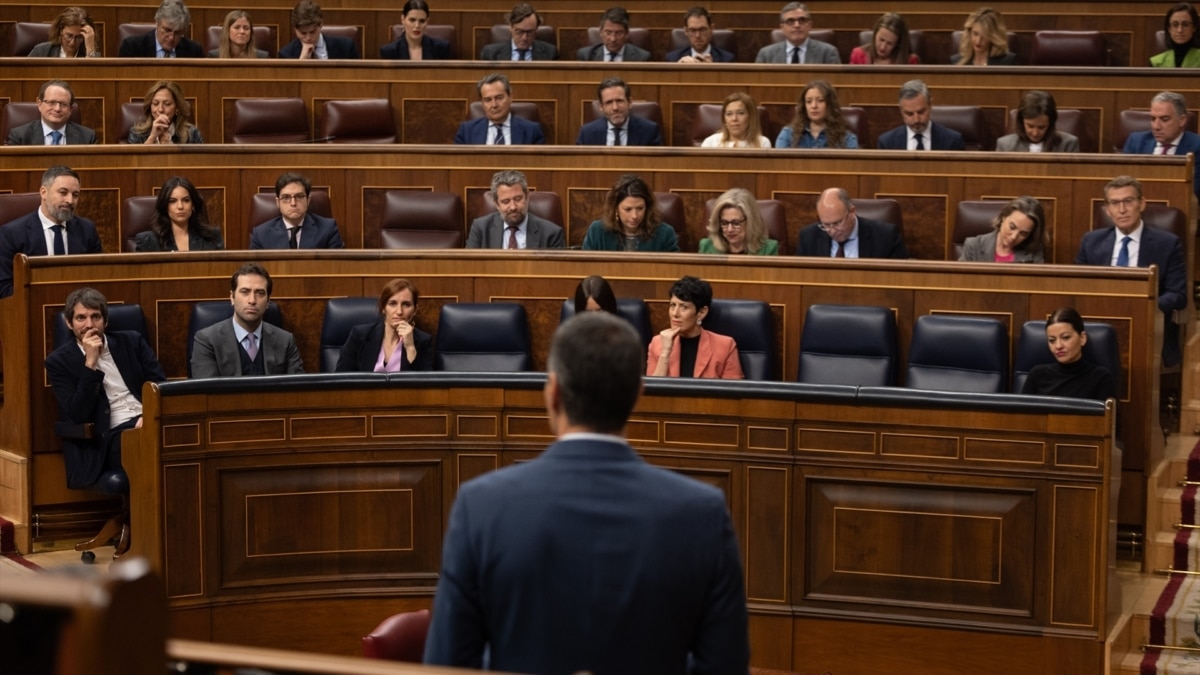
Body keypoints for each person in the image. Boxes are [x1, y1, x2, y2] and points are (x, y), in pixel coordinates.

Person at [423, 311, 750, 673]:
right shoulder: (701, 513)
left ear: (553, 392)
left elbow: (447, 664)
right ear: (637, 395)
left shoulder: (481, 506)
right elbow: (724, 665)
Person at [45, 288, 166, 495]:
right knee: (146, 445)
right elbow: (78, 413)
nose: (89, 325)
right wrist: (90, 364)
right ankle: (144, 523)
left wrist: (149, 415)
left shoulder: (132, 341)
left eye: (96, 317)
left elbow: (160, 385)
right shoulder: (58, 362)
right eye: (81, 318)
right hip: (108, 436)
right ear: (69, 323)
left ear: (105, 321)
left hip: (148, 420)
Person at [1075, 175, 1187, 366]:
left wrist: (1144, 308)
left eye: (1128, 201)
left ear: (1142, 204)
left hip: (1147, 326)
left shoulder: (1167, 243)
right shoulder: (1091, 241)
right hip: (1098, 322)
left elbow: (1178, 294)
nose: (1122, 209)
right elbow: (1076, 287)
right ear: (1108, 210)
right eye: (1115, 203)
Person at [0, 165, 101, 298]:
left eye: (75, 195)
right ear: (43, 192)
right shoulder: (12, 233)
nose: (70, 200)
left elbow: (99, 279)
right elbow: (4, 288)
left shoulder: (87, 230)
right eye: (63, 192)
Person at [190, 263, 305, 377]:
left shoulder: (285, 341)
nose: (252, 300)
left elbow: (298, 391)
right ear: (232, 297)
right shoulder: (207, 341)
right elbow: (207, 393)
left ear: (268, 301)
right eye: (245, 292)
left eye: (260, 293)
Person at [647, 276, 743, 379]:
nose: (675, 313)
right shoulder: (657, 343)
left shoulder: (725, 346)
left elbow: (733, 392)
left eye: (684, 307)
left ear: (701, 312)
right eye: (673, 305)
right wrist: (665, 353)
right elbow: (651, 392)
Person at [335, 278, 433, 372]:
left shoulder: (424, 341)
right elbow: (341, 379)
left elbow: (424, 385)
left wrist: (410, 347)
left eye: (406, 304)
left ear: (415, 310)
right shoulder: (360, 335)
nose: (399, 311)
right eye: (392, 304)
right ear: (383, 308)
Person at [1020, 307, 1116, 401]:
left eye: (1065, 337)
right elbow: (1021, 414)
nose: (1058, 346)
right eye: (1052, 340)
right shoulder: (1037, 375)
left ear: (1082, 338)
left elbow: (1111, 416)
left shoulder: (1100, 377)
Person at [1122, 91, 1200, 198]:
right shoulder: (1136, 142)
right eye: (1153, 119)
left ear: (1182, 120)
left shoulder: (1197, 146)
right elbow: (1122, 184)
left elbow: (1194, 190)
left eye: (1164, 119)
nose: (1156, 126)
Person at [797, 187, 908, 258]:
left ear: (852, 211)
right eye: (826, 225)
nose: (832, 231)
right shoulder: (808, 237)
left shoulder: (886, 237)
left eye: (837, 223)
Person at [466, 170, 564, 248]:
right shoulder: (480, 228)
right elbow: (470, 268)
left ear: (527, 197)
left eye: (518, 199)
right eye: (506, 201)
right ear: (496, 204)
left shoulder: (551, 233)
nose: (513, 207)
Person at [581, 174, 680, 252]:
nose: (635, 216)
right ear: (615, 208)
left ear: (647, 207)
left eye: (640, 208)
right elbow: (585, 268)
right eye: (627, 209)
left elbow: (673, 271)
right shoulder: (597, 231)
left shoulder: (665, 233)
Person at [249, 173, 345, 249]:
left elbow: (338, 267)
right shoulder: (261, 234)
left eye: (299, 196)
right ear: (278, 202)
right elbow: (254, 271)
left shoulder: (328, 229)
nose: (293, 203)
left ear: (308, 200)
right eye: (286, 197)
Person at [134, 176, 224, 252]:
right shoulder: (148, 241)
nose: (180, 206)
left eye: (186, 200)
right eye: (172, 201)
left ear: (193, 205)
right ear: (165, 205)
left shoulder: (212, 237)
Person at [453, 73, 545, 145]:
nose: (494, 105)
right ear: (482, 102)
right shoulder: (466, 131)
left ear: (510, 97)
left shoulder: (532, 131)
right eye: (487, 100)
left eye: (499, 98)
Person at [876, 79, 965, 150]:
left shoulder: (952, 141)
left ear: (930, 106)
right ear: (901, 111)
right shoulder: (887, 143)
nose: (916, 120)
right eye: (909, 114)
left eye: (921, 112)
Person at [575, 77, 664, 146]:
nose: (615, 108)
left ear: (629, 102)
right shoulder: (587, 133)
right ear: (601, 107)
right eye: (609, 102)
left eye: (619, 101)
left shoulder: (649, 131)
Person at [5, 80, 98, 146]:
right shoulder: (19, 137)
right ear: (39, 104)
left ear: (71, 109)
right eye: (52, 103)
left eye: (63, 104)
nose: (57, 109)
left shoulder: (87, 138)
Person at [959, 196, 1046, 263]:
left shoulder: (1034, 252)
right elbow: (959, 282)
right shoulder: (973, 246)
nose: (1014, 237)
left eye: (1023, 233)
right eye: (1012, 227)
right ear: (1004, 217)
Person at [775, 80, 858, 149]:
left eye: (820, 100)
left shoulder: (847, 139)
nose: (814, 106)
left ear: (830, 104)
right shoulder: (787, 135)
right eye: (809, 101)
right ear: (804, 106)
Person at [699, 188, 779, 255]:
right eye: (724, 223)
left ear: (750, 222)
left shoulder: (768, 249)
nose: (730, 229)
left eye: (736, 223)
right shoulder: (706, 246)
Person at [755, 2, 840, 64]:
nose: (797, 25)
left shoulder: (828, 52)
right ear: (782, 27)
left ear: (809, 25)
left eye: (802, 20)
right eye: (790, 21)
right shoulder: (766, 54)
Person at [995, 90, 1080, 152]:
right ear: (1021, 121)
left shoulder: (1068, 145)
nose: (1035, 133)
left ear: (1050, 123)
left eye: (1041, 127)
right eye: (1030, 126)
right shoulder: (1005, 145)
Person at [118, 0, 204, 58]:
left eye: (177, 33)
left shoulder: (194, 51)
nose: (171, 37)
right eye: (167, 30)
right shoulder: (132, 47)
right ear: (157, 23)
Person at [127, 80, 203, 145]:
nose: (160, 109)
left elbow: (202, 161)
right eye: (155, 103)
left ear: (177, 108)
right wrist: (152, 138)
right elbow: (133, 161)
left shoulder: (192, 134)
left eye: (167, 104)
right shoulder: (137, 133)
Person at [279, 0, 361, 59]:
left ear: (321, 24)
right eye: (303, 33)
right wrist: (301, 62)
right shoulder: (286, 55)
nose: (308, 38)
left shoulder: (346, 47)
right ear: (295, 29)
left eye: (312, 32)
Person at [480, 3, 558, 61]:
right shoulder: (490, 53)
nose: (525, 38)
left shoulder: (550, 53)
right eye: (519, 32)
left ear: (536, 30)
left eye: (530, 32)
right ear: (511, 27)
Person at [380, 0, 451, 60]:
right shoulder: (389, 51)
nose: (417, 25)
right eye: (412, 20)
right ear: (403, 19)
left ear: (427, 22)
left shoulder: (441, 48)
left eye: (422, 21)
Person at [577, 7, 651, 62]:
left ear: (627, 34)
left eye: (618, 33)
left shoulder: (642, 57)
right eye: (608, 33)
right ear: (600, 32)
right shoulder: (586, 56)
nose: (613, 39)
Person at [701, 92, 771, 148]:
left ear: (751, 117)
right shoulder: (710, 143)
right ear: (724, 119)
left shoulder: (763, 143)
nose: (734, 118)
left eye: (740, 113)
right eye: (729, 114)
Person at [666, 7, 735, 63]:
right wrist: (678, 69)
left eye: (702, 30)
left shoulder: (727, 59)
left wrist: (713, 69)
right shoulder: (672, 59)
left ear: (711, 29)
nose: (697, 36)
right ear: (686, 31)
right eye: (692, 30)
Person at [952, 7, 1017, 65]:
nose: (978, 41)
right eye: (975, 34)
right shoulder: (956, 61)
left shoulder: (1007, 61)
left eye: (984, 35)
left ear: (993, 37)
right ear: (969, 33)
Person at [28, 6, 101, 57]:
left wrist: (90, 48)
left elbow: (95, 76)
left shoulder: (89, 52)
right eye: (69, 36)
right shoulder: (41, 51)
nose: (72, 43)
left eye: (79, 37)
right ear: (61, 31)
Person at [850, 12, 919, 64]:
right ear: (875, 34)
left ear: (898, 43)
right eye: (881, 40)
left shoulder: (910, 61)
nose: (883, 47)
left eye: (890, 43)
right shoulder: (858, 55)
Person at [1151, 2, 1200, 67]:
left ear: (1194, 27)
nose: (1180, 30)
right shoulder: (1156, 62)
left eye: (1185, 25)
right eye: (1175, 25)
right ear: (1169, 29)